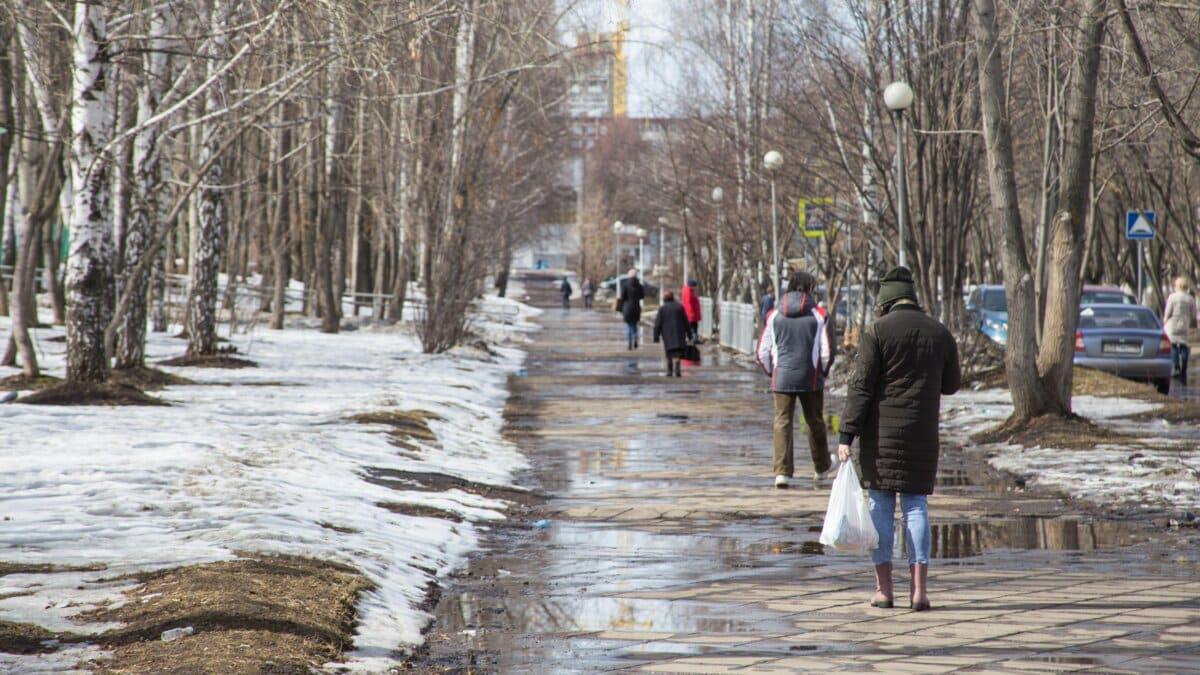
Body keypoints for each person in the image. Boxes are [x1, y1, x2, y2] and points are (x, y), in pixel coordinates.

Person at [836, 266, 960, 612]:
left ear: (885, 300)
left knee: (880, 506)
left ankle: (884, 589)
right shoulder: (939, 332)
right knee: (916, 507)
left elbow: (860, 387)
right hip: (922, 433)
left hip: (881, 436)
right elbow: (951, 384)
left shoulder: (877, 332)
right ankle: (919, 591)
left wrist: (847, 432)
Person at [756, 271, 836, 489]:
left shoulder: (773, 315)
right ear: (810, 289)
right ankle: (821, 468)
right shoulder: (819, 315)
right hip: (810, 377)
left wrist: (772, 372)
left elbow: (762, 351)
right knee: (814, 422)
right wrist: (822, 373)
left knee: (782, 421)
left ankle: (782, 473)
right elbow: (827, 352)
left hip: (781, 376)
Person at [1164, 276, 1198, 382]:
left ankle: (1176, 366)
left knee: (1173, 345)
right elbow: (1193, 315)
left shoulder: (1172, 297)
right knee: (1183, 345)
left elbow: (1168, 312)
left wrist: (1165, 320)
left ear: (1177, 286)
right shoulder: (1190, 298)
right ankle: (1184, 368)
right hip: (1184, 325)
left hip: (1172, 325)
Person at [654, 290, 691, 377]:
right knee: (678, 351)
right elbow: (686, 321)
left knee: (669, 351)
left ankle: (669, 371)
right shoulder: (680, 307)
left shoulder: (662, 309)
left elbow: (657, 323)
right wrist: (689, 334)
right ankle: (677, 368)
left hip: (667, 334)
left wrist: (656, 336)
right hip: (679, 332)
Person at [618, 269, 645, 350]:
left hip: (627, 308)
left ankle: (629, 344)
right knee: (635, 325)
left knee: (629, 326)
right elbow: (642, 296)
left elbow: (622, 297)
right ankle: (635, 338)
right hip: (636, 307)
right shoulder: (640, 285)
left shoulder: (625, 285)